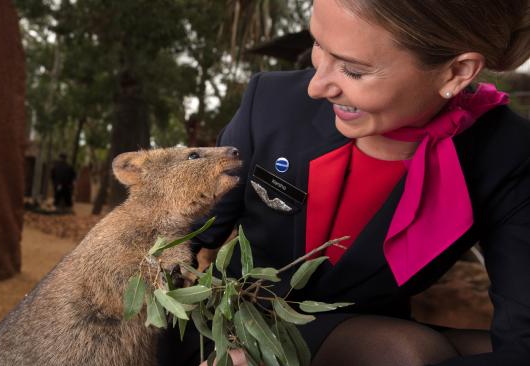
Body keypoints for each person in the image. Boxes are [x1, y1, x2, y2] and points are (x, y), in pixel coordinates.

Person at [156, 0, 530, 365]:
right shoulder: (271, 102)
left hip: (365, 338)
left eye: (352, 70)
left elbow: (522, 341)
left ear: (457, 72)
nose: (316, 87)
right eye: (318, 44)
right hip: (222, 329)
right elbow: (173, 237)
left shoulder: (507, 153)